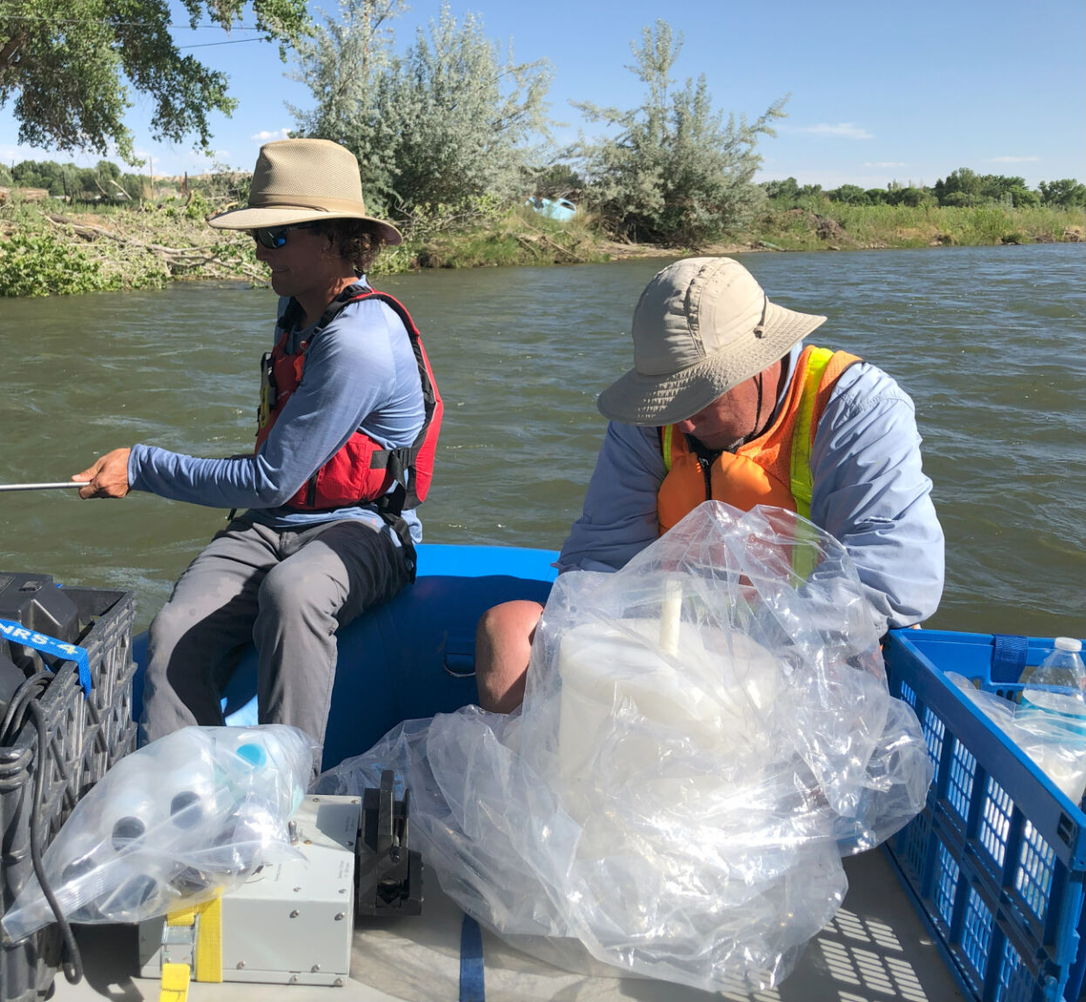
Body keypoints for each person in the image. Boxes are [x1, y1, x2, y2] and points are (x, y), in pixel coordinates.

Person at [74, 138, 442, 756]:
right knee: (172, 630)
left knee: (294, 592)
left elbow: (269, 478)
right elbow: (278, 492)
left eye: (273, 237)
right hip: (274, 523)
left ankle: (286, 789)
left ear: (330, 239)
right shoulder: (296, 307)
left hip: (365, 527)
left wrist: (141, 465)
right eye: (258, 235)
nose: (256, 248)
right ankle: (184, 796)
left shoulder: (359, 342)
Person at [476, 256, 944, 712]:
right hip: (672, 632)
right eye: (667, 398)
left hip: (804, 645)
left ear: (762, 362)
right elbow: (603, 556)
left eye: (699, 395)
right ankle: (531, 773)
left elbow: (890, 574)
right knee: (508, 626)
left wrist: (747, 650)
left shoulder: (856, 405)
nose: (682, 422)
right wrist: (616, 647)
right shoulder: (650, 419)